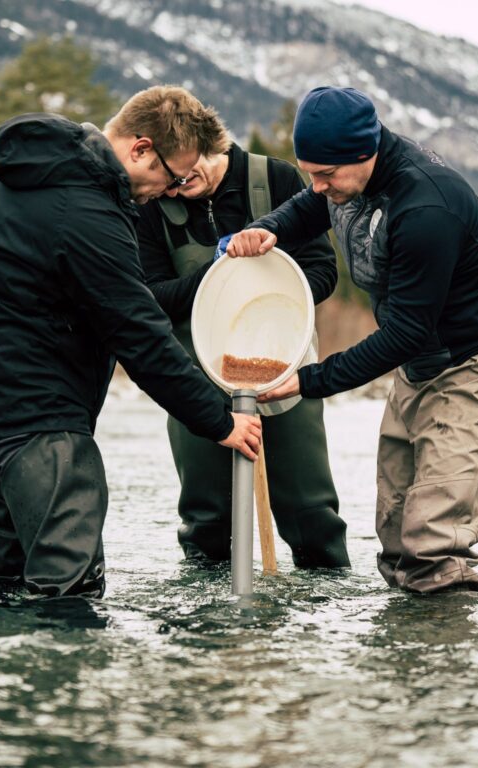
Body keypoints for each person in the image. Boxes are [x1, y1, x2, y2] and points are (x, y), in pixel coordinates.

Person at [0, 86, 262, 598]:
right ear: (141, 149)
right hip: (40, 427)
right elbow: (139, 335)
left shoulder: (32, 175)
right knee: (68, 593)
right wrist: (218, 421)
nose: (171, 193)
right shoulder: (85, 211)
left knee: (1, 587)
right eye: (172, 178)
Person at [228, 86, 478, 593]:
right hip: (419, 371)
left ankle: (442, 666)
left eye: (326, 174)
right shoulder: (347, 180)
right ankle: (402, 664)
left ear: (364, 152)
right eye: (310, 171)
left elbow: (406, 331)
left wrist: (309, 381)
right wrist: (268, 229)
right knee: (396, 536)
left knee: (430, 541)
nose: (317, 185)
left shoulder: (426, 207)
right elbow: (312, 207)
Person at [136, 142, 350, 568]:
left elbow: (324, 272)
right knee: (206, 524)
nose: (175, 190)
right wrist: (218, 275)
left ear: (203, 142)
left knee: (313, 518)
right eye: (168, 181)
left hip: (284, 370)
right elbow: (151, 297)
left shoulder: (277, 180)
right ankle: (208, 627)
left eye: (181, 176)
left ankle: (319, 623)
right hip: (195, 380)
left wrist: (265, 275)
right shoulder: (153, 201)